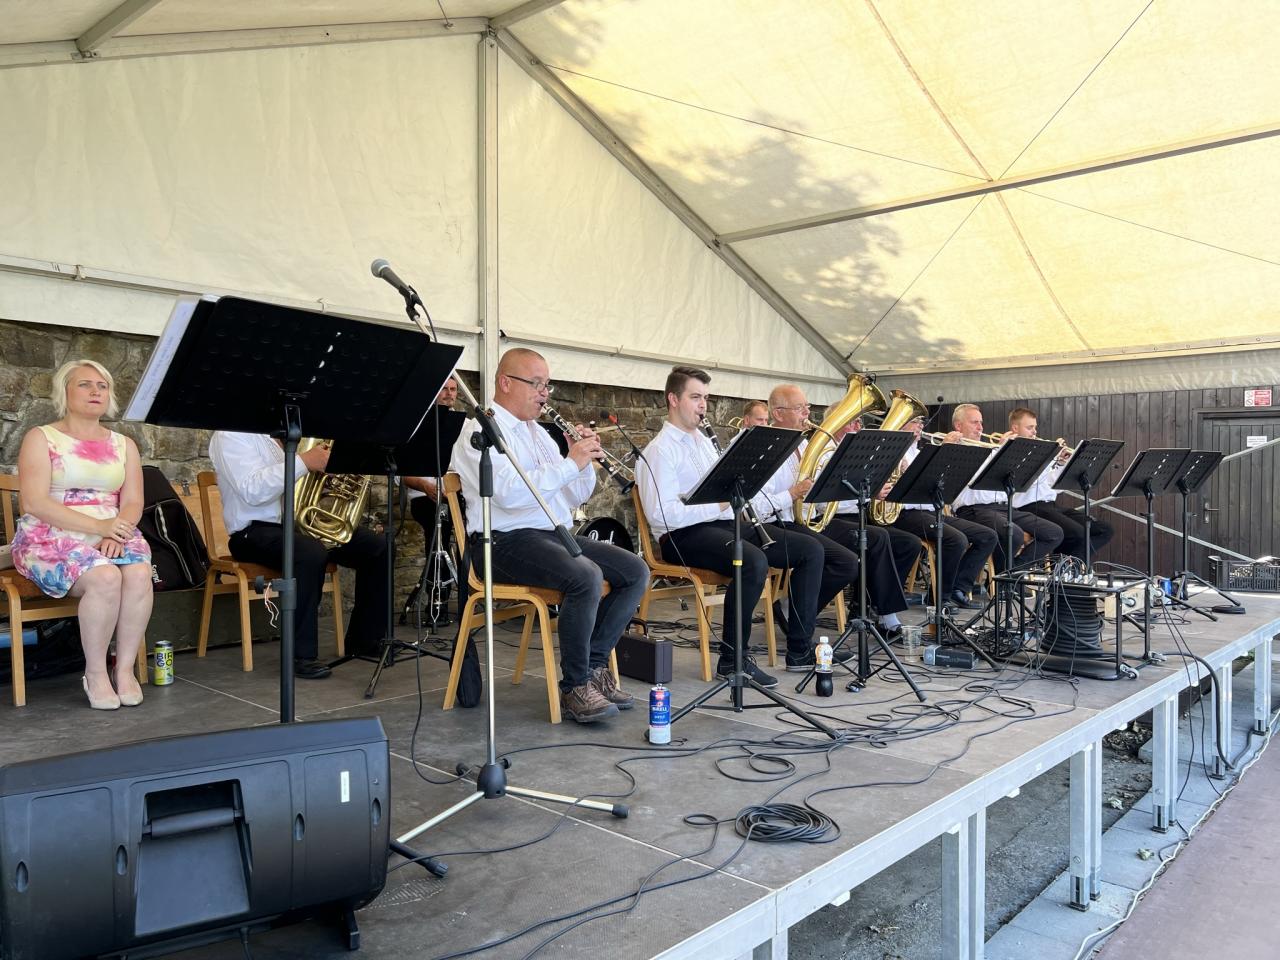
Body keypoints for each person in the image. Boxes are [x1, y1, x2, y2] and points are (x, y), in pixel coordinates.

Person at [452, 348, 648, 723]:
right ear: (505, 382)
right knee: (586, 576)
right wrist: (571, 462)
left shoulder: (541, 434)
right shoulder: (479, 432)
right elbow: (508, 495)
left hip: (550, 534)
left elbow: (572, 495)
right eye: (536, 383)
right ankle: (575, 686)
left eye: (547, 385)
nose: (544, 393)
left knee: (635, 570)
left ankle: (592, 668)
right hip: (501, 542)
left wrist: (582, 462)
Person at [636, 366, 825, 684]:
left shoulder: (704, 442)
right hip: (682, 536)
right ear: (673, 399)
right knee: (752, 560)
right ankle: (733, 659)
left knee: (810, 549)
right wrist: (720, 503)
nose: (703, 405)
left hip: (722, 525)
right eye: (695, 397)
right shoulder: (659, 451)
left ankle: (799, 650)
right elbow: (662, 516)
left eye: (705, 398)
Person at [12, 359, 153, 709]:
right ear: (65, 392)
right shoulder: (42, 438)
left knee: (138, 573)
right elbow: (33, 502)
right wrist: (99, 527)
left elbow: (133, 501)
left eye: (102, 386)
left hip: (113, 531)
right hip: (50, 536)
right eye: (85, 384)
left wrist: (116, 533)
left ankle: (124, 669)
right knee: (105, 577)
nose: (95, 391)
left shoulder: (124, 444)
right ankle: (96, 673)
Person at [208, 430, 389, 679]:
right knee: (310, 552)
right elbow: (252, 490)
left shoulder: (281, 438)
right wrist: (304, 461)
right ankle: (300, 655)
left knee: (378, 547)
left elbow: (291, 489)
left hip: (296, 527)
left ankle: (366, 641)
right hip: (252, 532)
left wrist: (323, 482)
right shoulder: (229, 435)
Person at [764, 386, 908, 643]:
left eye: (807, 406)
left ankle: (881, 613)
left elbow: (821, 496)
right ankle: (793, 612)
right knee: (845, 559)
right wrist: (793, 493)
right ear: (778, 413)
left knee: (874, 540)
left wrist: (859, 492)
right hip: (780, 523)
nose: (807, 413)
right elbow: (761, 504)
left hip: (811, 520)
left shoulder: (805, 444)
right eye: (800, 408)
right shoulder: (770, 446)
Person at [886, 418, 997, 608]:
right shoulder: (893, 451)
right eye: (914, 421)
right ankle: (940, 598)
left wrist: (951, 455)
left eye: (921, 422)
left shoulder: (919, 452)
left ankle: (957, 589)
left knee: (987, 536)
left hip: (931, 511)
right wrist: (943, 450)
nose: (920, 426)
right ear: (900, 423)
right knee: (956, 540)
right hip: (906, 514)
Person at [948, 403, 1063, 570]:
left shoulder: (990, 450)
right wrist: (1002, 451)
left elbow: (1020, 480)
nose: (980, 428)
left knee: (1054, 533)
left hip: (1003, 508)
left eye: (981, 423)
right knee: (1013, 533)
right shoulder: (955, 450)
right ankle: (1005, 577)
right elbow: (976, 478)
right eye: (974, 422)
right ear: (958, 426)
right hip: (974, 509)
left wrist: (1010, 453)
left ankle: (1013, 572)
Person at [1007, 407, 1113, 561]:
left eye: (1035, 427)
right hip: (1028, 507)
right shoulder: (1011, 453)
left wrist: (1061, 464)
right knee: (1077, 533)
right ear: (1015, 428)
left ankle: (1068, 568)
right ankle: (1064, 569)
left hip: (1050, 505)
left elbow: (1053, 486)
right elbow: (1028, 482)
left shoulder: (1038, 450)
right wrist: (1050, 458)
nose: (1034, 432)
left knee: (1104, 529)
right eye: (1029, 427)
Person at [403, 376, 462, 622]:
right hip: (424, 495)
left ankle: (471, 593)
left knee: (477, 530)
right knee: (440, 527)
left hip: (456, 495)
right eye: (444, 389)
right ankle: (438, 600)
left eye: (453, 389)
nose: (449, 394)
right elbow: (403, 474)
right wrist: (425, 486)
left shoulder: (464, 425)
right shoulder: (416, 424)